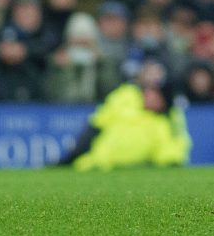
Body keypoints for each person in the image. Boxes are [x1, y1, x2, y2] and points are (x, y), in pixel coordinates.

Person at [56, 60, 190, 171]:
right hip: (101, 163)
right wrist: (74, 155)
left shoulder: (165, 120)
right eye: (148, 75)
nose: (149, 94)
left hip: (137, 169)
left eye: (155, 91)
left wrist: (171, 161)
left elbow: (174, 143)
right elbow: (96, 124)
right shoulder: (124, 96)